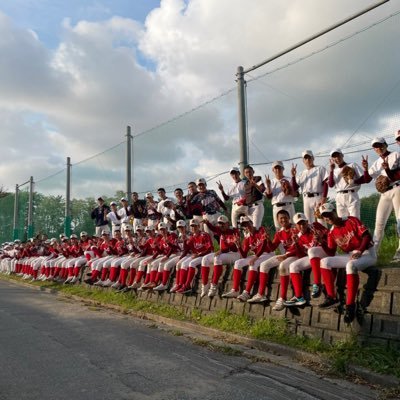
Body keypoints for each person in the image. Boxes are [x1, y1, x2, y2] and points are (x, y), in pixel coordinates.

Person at [318, 203, 376, 323]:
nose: (328, 217)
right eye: (325, 216)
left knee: (350, 266)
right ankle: (331, 297)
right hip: (351, 254)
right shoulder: (332, 231)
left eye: (329, 214)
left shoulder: (351, 220)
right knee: (324, 261)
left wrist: (360, 250)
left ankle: (350, 306)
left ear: (335, 211)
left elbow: (367, 236)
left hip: (367, 253)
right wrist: (321, 242)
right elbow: (331, 252)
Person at [362, 137, 400, 261]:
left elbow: (394, 177)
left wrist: (387, 169)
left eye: (380, 145)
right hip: (385, 193)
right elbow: (366, 179)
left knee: (399, 221)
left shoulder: (395, 155)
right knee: (379, 223)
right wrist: (365, 169)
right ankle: (373, 254)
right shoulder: (377, 162)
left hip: (397, 188)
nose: (378, 148)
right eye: (375, 146)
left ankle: (399, 251)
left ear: (386, 145)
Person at [283, 212, 333, 307]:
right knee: (293, 266)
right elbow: (301, 255)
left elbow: (330, 235)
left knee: (312, 251)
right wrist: (297, 243)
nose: (302, 226)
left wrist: (322, 238)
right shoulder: (298, 236)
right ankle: (299, 297)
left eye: (304, 223)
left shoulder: (315, 226)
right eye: (299, 224)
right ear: (296, 225)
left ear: (307, 221)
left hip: (326, 252)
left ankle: (317, 284)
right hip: (314, 257)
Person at [222, 216, 274, 301]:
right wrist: (238, 245)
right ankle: (235, 290)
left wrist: (255, 258)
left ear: (252, 223)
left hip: (267, 254)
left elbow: (264, 246)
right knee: (238, 263)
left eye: (248, 224)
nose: (247, 227)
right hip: (257, 256)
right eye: (244, 226)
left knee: (253, 264)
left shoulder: (260, 230)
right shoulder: (248, 238)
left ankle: (247, 292)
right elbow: (244, 255)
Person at [255, 210, 299, 309]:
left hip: (296, 254)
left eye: (285, 217)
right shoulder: (279, 233)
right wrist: (267, 240)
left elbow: (300, 246)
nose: (283, 220)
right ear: (278, 221)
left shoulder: (296, 229)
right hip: (286, 255)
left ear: (289, 218)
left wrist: (286, 256)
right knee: (264, 265)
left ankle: (282, 298)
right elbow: (272, 248)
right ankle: (260, 294)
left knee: (283, 266)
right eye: (281, 218)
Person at [200, 215, 241, 297]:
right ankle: (205, 285)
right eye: (219, 223)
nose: (221, 225)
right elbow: (213, 228)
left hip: (234, 254)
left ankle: (214, 285)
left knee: (217, 258)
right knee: (205, 259)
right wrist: (207, 223)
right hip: (223, 253)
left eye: (223, 223)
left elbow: (233, 246)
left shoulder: (234, 231)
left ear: (227, 223)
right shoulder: (220, 230)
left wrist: (222, 251)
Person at [176, 219, 213, 294]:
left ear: (198, 226)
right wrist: (184, 241)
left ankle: (187, 285)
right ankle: (182, 285)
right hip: (197, 255)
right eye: (192, 226)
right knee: (183, 264)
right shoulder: (192, 237)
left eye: (195, 226)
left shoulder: (204, 235)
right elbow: (187, 249)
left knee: (191, 264)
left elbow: (209, 248)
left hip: (206, 255)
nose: (193, 228)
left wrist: (199, 254)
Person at [291, 150, 328, 224]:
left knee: (321, 221)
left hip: (318, 197)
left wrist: (324, 198)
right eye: (305, 158)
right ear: (303, 160)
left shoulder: (320, 168)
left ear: (313, 158)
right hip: (306, 198)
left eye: (309, 158)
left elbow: (325, 184)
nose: (308, 160)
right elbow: (295, 188)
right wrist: (293, 176)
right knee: (309, 222)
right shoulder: (301, 173)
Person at [328, 148, 366, 219]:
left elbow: (364, 178)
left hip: (351, 194)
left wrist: (355, 181)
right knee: (342, 220)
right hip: (339, 196)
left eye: (338, 156)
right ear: (332, 159)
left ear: (342, 155)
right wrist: (331, 171)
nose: (337, 158)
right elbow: (330, 185)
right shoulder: (334, 171)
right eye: (334, 157)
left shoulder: (352, 165)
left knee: (355, 219)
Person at [264, 161, 296, 229]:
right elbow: (269, 197)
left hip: (288, 205)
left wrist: (289, 191)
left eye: (279, 168)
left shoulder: (289, 179)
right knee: (278, 228)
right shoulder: (271, 182)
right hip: (277, 207)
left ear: (283, 169)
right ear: (273, 170)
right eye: (276, 168)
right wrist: (269, 186)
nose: (277, 170)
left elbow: (296, 194)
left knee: (292, 227)